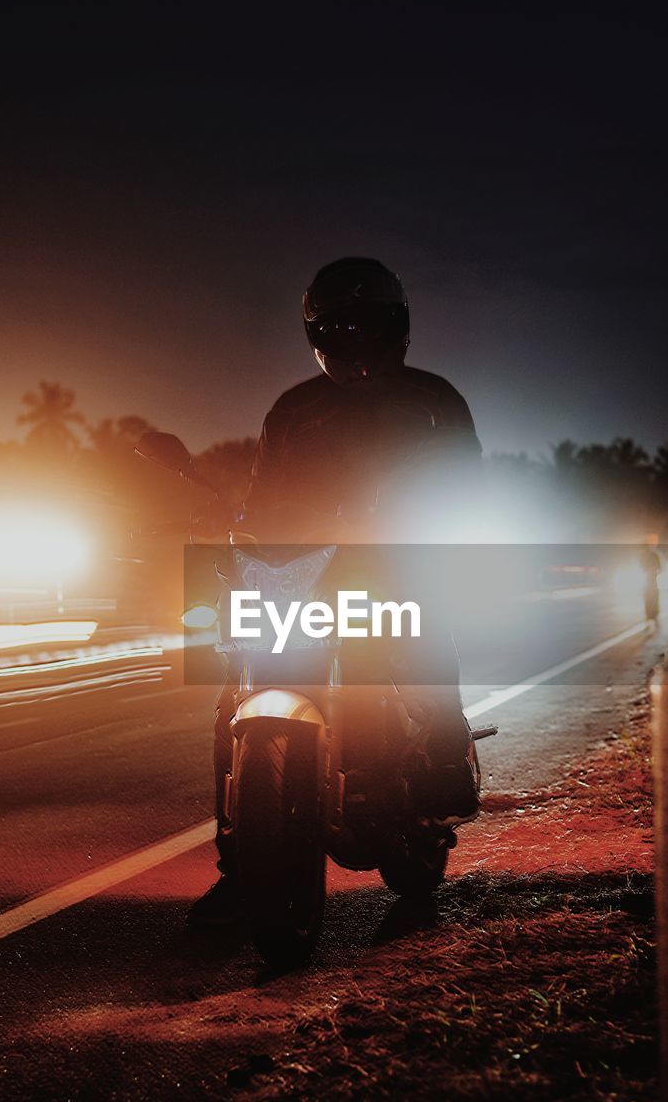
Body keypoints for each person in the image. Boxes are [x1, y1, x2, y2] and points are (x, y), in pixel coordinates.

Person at [189, 256, 483, 925]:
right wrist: (236, 538)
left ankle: (442, 751)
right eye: (340, 325)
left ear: (396, 327)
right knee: (236, 695)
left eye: (369, 323)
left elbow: (470, 485)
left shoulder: (434, 403)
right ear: (318, 332)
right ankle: (238, 869)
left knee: (425, 631)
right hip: (309, 574)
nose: (355, 339)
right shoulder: (294, 411)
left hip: (398, 566)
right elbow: (262, 503)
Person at [638, 541, 661, 623]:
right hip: (648, 579)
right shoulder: (649, 555)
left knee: (651, 596)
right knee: (649, 596)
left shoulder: (650, 555)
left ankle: (652, 613)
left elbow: (659, 567)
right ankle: (651, 613)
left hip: (651, 579)